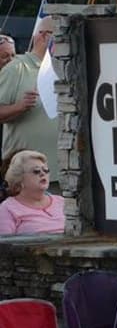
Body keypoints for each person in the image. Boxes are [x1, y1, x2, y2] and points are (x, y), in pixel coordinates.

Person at [0, 18, 58, 178]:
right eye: (62, 35)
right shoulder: (16, 69)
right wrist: (19, 106)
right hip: (26, 177)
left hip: (64, 172)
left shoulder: (64, 67)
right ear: (45, 36)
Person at [0, 149, 63, 235]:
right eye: (36, 171)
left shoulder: (63, 202)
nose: (42, 174)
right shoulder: (7, 208)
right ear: (19, 178)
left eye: (46, 170)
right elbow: (4, 246)